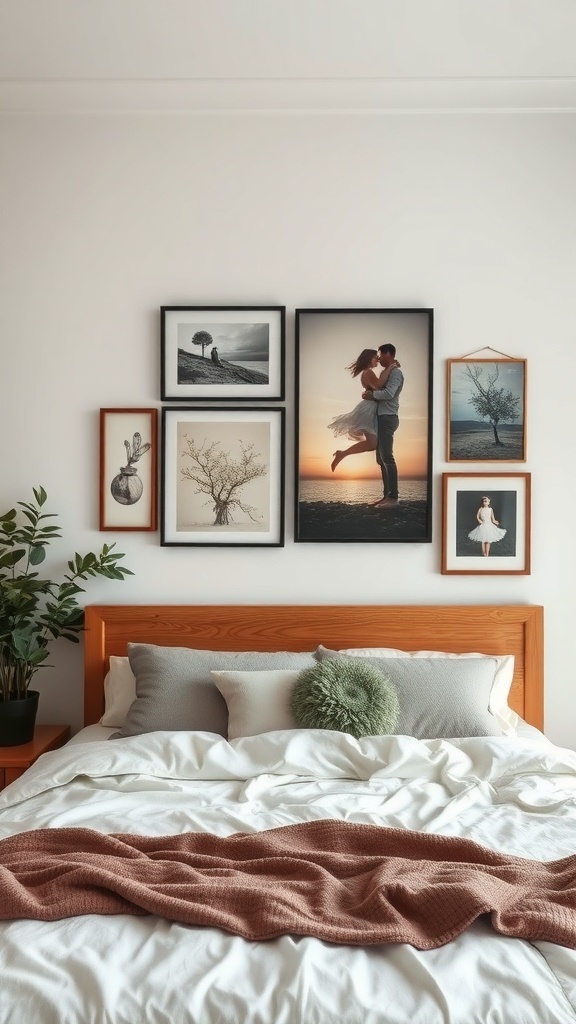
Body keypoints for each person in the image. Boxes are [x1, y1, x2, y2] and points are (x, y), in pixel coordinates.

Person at [328, 349, 401, 472]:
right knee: (372, 444)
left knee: (373, 444)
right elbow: (379, 385)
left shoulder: (368, 372)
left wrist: (390, 367)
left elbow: (378, 386)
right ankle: (342, 454)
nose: (378, 359)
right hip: (368, 410)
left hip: (372, 409)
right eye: (375, 357)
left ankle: (342, 454)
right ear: (368, 359)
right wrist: (391, 367)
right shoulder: (368, 372)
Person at [362, 343, 404, 508]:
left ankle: (393, 498)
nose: (379, 358)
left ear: (388, 354)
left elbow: (389, 393)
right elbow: (379, 386)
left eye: (380, 355)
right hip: (380, 418)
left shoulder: (396, 373)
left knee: (387, 457)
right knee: (381, 459)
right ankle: (387, 496)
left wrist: (372, 395)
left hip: (388, 417)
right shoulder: (387, 372)